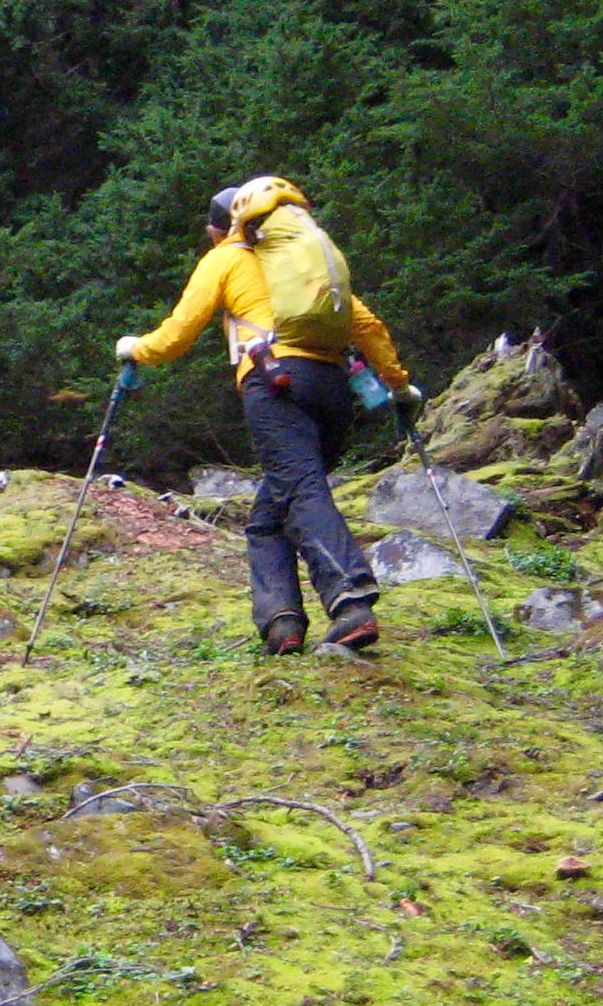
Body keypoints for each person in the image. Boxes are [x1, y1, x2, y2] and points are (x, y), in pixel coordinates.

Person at [116, 177, 417, 655]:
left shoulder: (227, 258)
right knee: (268, 516)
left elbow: (176, 336)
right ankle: (282, 622)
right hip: (333, 386)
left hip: (276, 382)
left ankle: (351, 601)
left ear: (220, 230)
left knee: (300, 488)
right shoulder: (302, 264)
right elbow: (366, 324)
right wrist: (398, 386)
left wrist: (135, 348)